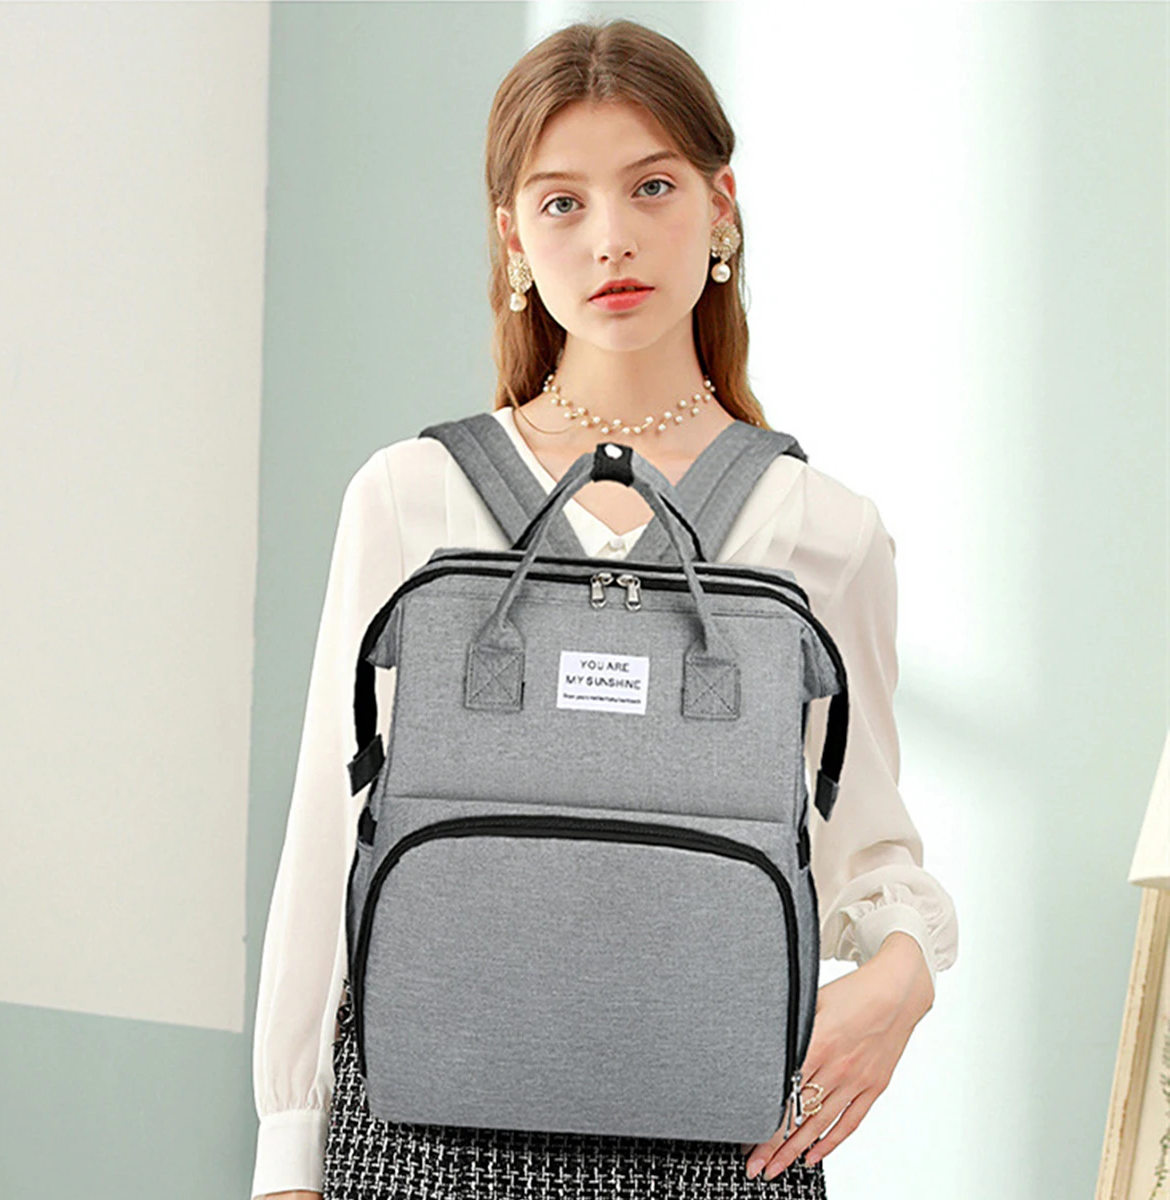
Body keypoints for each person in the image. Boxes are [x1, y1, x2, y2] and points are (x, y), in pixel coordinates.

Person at [249, 17, 959, 1200]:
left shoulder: (822, 530)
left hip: (720, 1143)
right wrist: (288, 1150)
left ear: (721, 208)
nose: (611, 237)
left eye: (653, 187)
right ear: (512, 236)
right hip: (421, 1135)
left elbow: (868, 847)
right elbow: (332, 825)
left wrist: (906, 974)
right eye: (563, 202)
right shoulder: (411, 497)